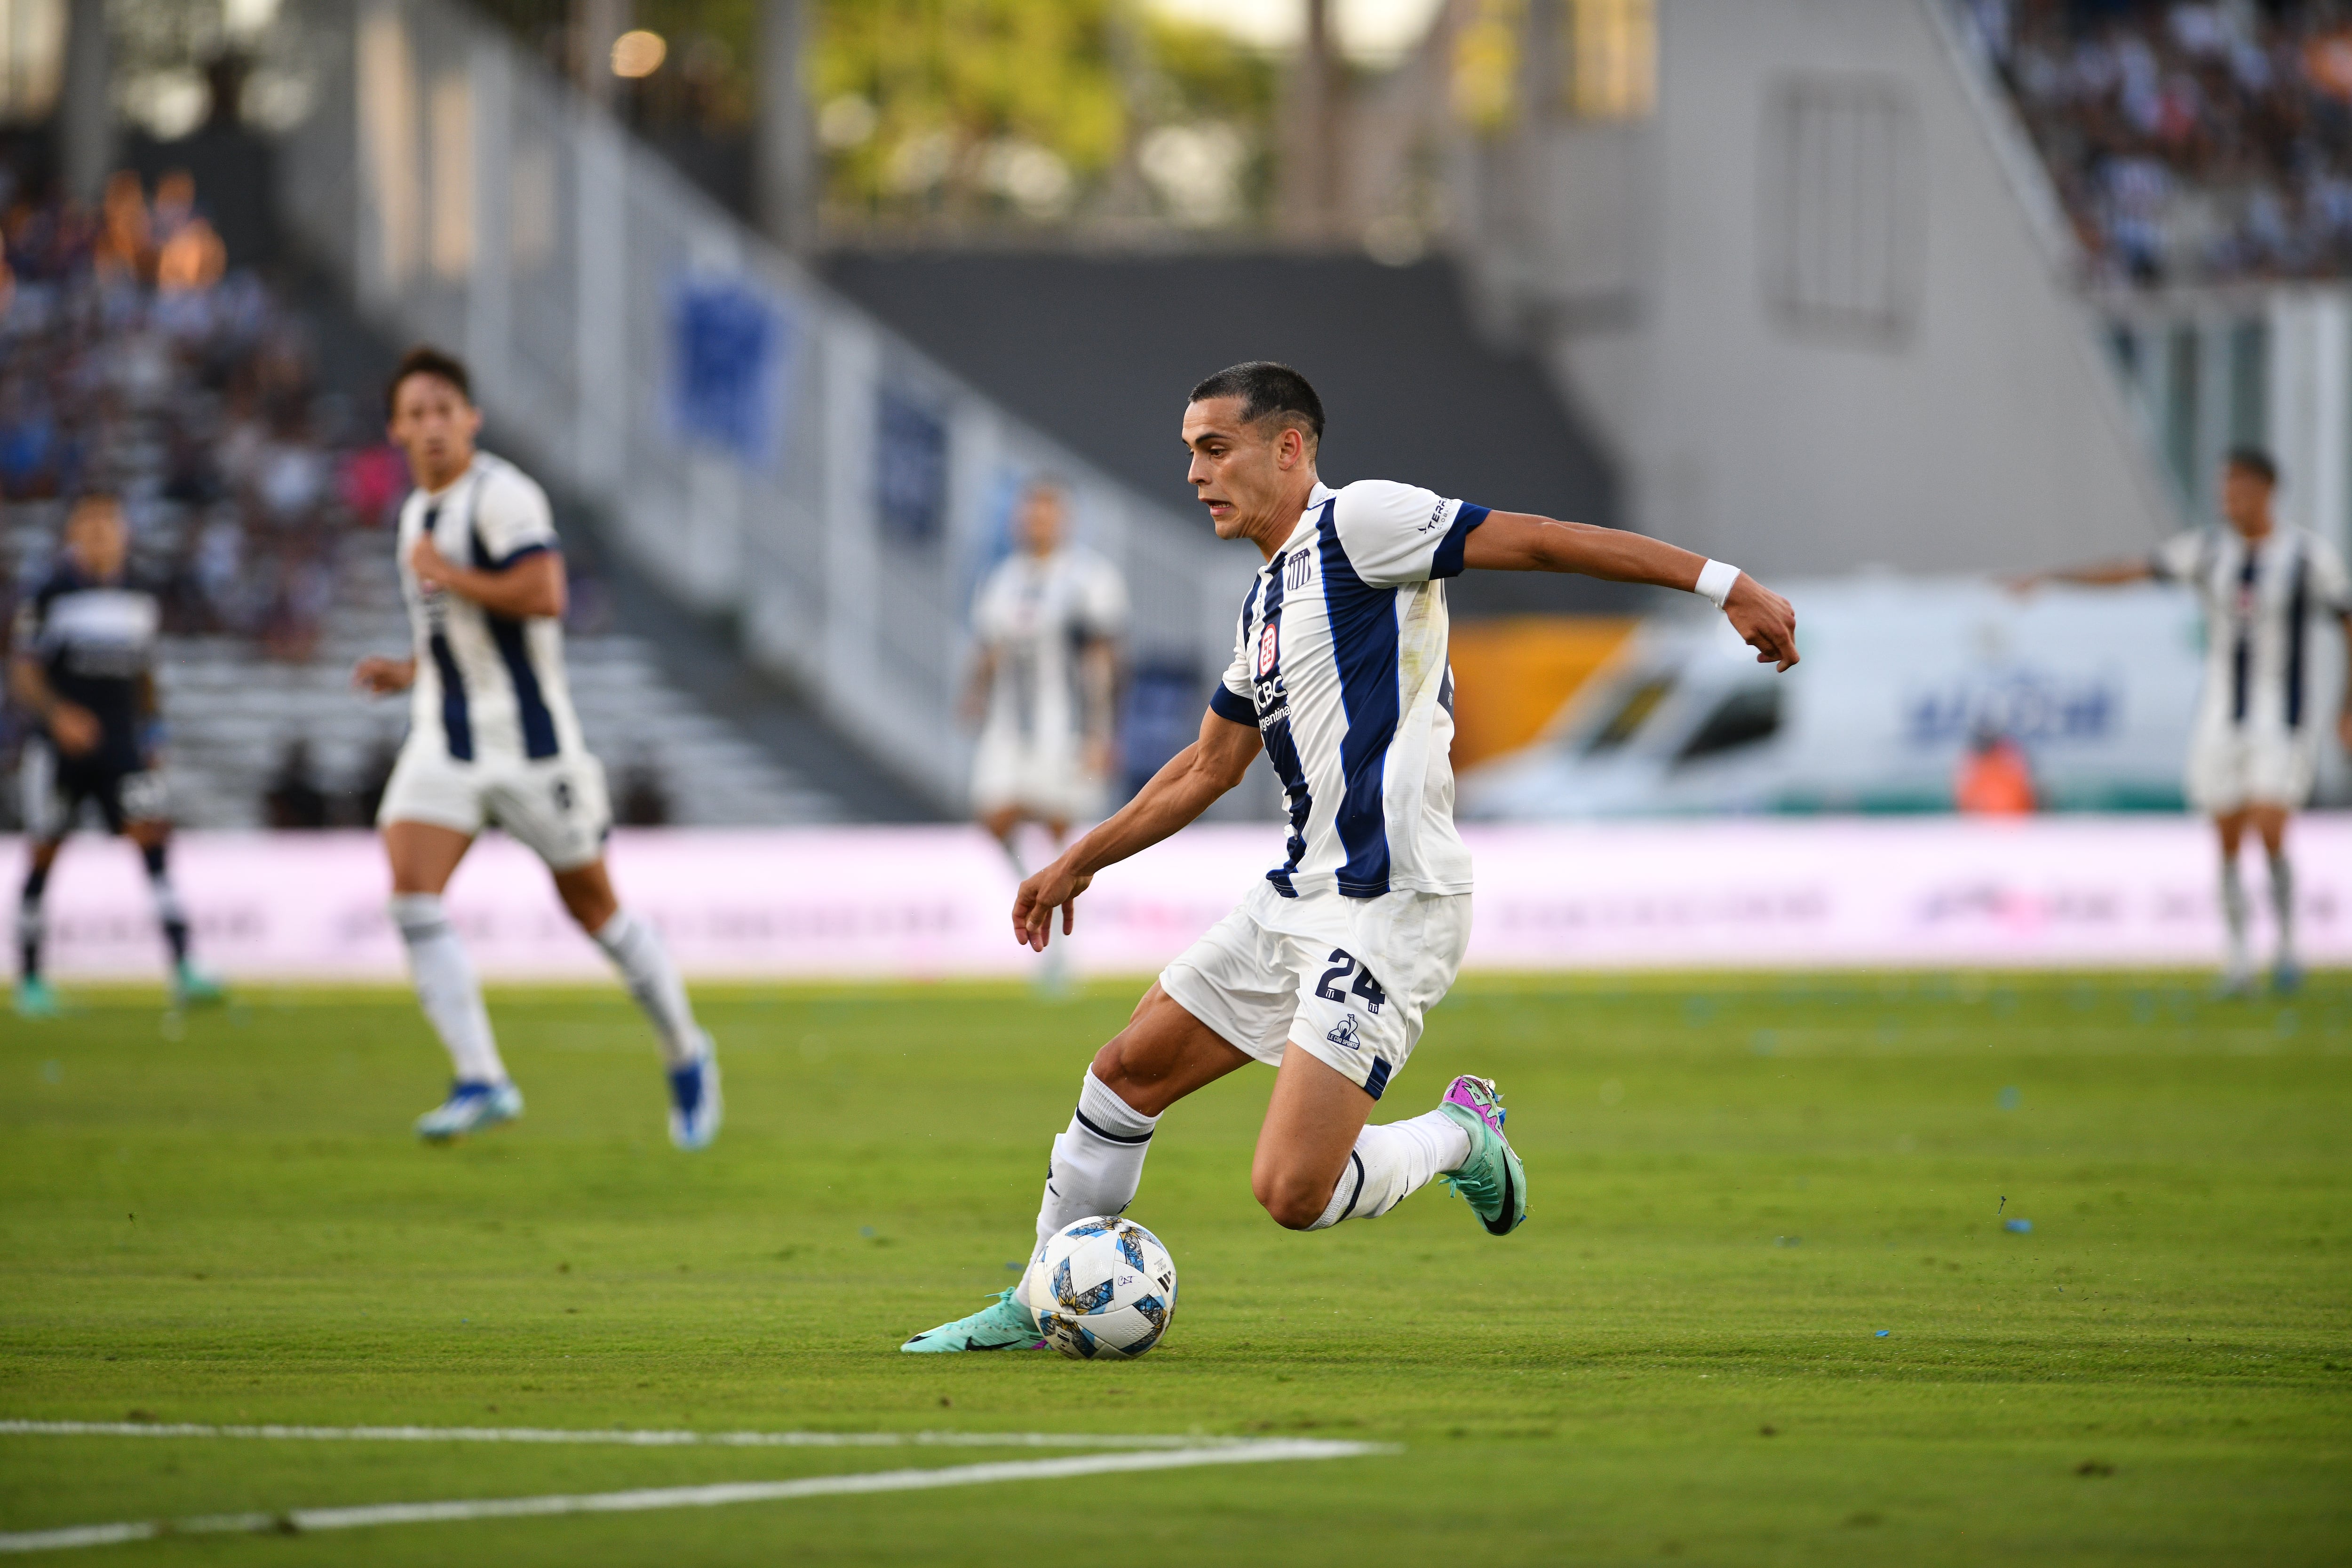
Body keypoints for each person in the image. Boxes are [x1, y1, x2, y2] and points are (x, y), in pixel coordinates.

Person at [902, 362, 1799, 1352]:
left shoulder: (1363, 523)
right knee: (1123, 1074)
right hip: (1296, 895)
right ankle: (1038, 1300)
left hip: (1390, 902)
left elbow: (1539, 542)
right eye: (1188, 452)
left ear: (1288, 447)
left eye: (1215, 448)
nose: (1196, 473)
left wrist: (1724, 584)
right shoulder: (1265, 603)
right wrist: (1082, 858)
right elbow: (1207, 766)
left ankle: (1464, 1136)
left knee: (1292, 1189)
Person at [353, 346, 721, 1146]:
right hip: (445, 739)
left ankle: (687, 1050)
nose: (432, 426)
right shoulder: (417, 516)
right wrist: (410, 668)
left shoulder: (502, 494)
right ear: (396, 429)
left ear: (470, 419)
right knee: (412, 893)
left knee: (597, 911)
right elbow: (463, 635)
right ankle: (481, 1076)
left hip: (532, 747)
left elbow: (544, 593)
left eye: (444, 409)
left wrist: (448, 574)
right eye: (415, 414)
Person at [2012, 448, 2352, 994]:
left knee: (2269, 827)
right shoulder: (2209, 551)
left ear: (2266, 491)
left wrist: (2346, 706)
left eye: (2237, 489)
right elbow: (2131, 568)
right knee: (2224, 836)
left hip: (2281, 718)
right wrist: (2053, 578)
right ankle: (2238, 958)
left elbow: (2346, 621)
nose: (2227, 500)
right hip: (2220, 714)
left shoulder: (2310, 557)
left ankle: (2287, 946)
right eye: (2223, 490)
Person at [10, 493, 224, 1015]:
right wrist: (60, 717)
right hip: (62, 751)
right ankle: (32, 979)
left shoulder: (138, 596)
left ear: (124, 532)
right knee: (45, 850)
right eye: (91, 524)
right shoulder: (50, 594)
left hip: (125, 747)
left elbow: (145, 674)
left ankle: (184, 968)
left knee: (152, 844)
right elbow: (24, 671)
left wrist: (153, 734)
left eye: (110, 523)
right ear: (73, 534)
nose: (102, 533)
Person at [963, 480, 1128, 868]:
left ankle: (1066, 915)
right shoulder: (1003, 578)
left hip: (1065, 724)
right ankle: (1030, 883)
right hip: (1009, 724)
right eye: (1030, 512)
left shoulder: (1089, 578)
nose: (1037, 521)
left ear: (1065, 519)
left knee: (1062, 823)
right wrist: (975, 692)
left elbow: (1105, 658)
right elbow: (989, 645)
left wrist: (1102, 733)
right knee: (993, 813)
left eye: (1046, 512)